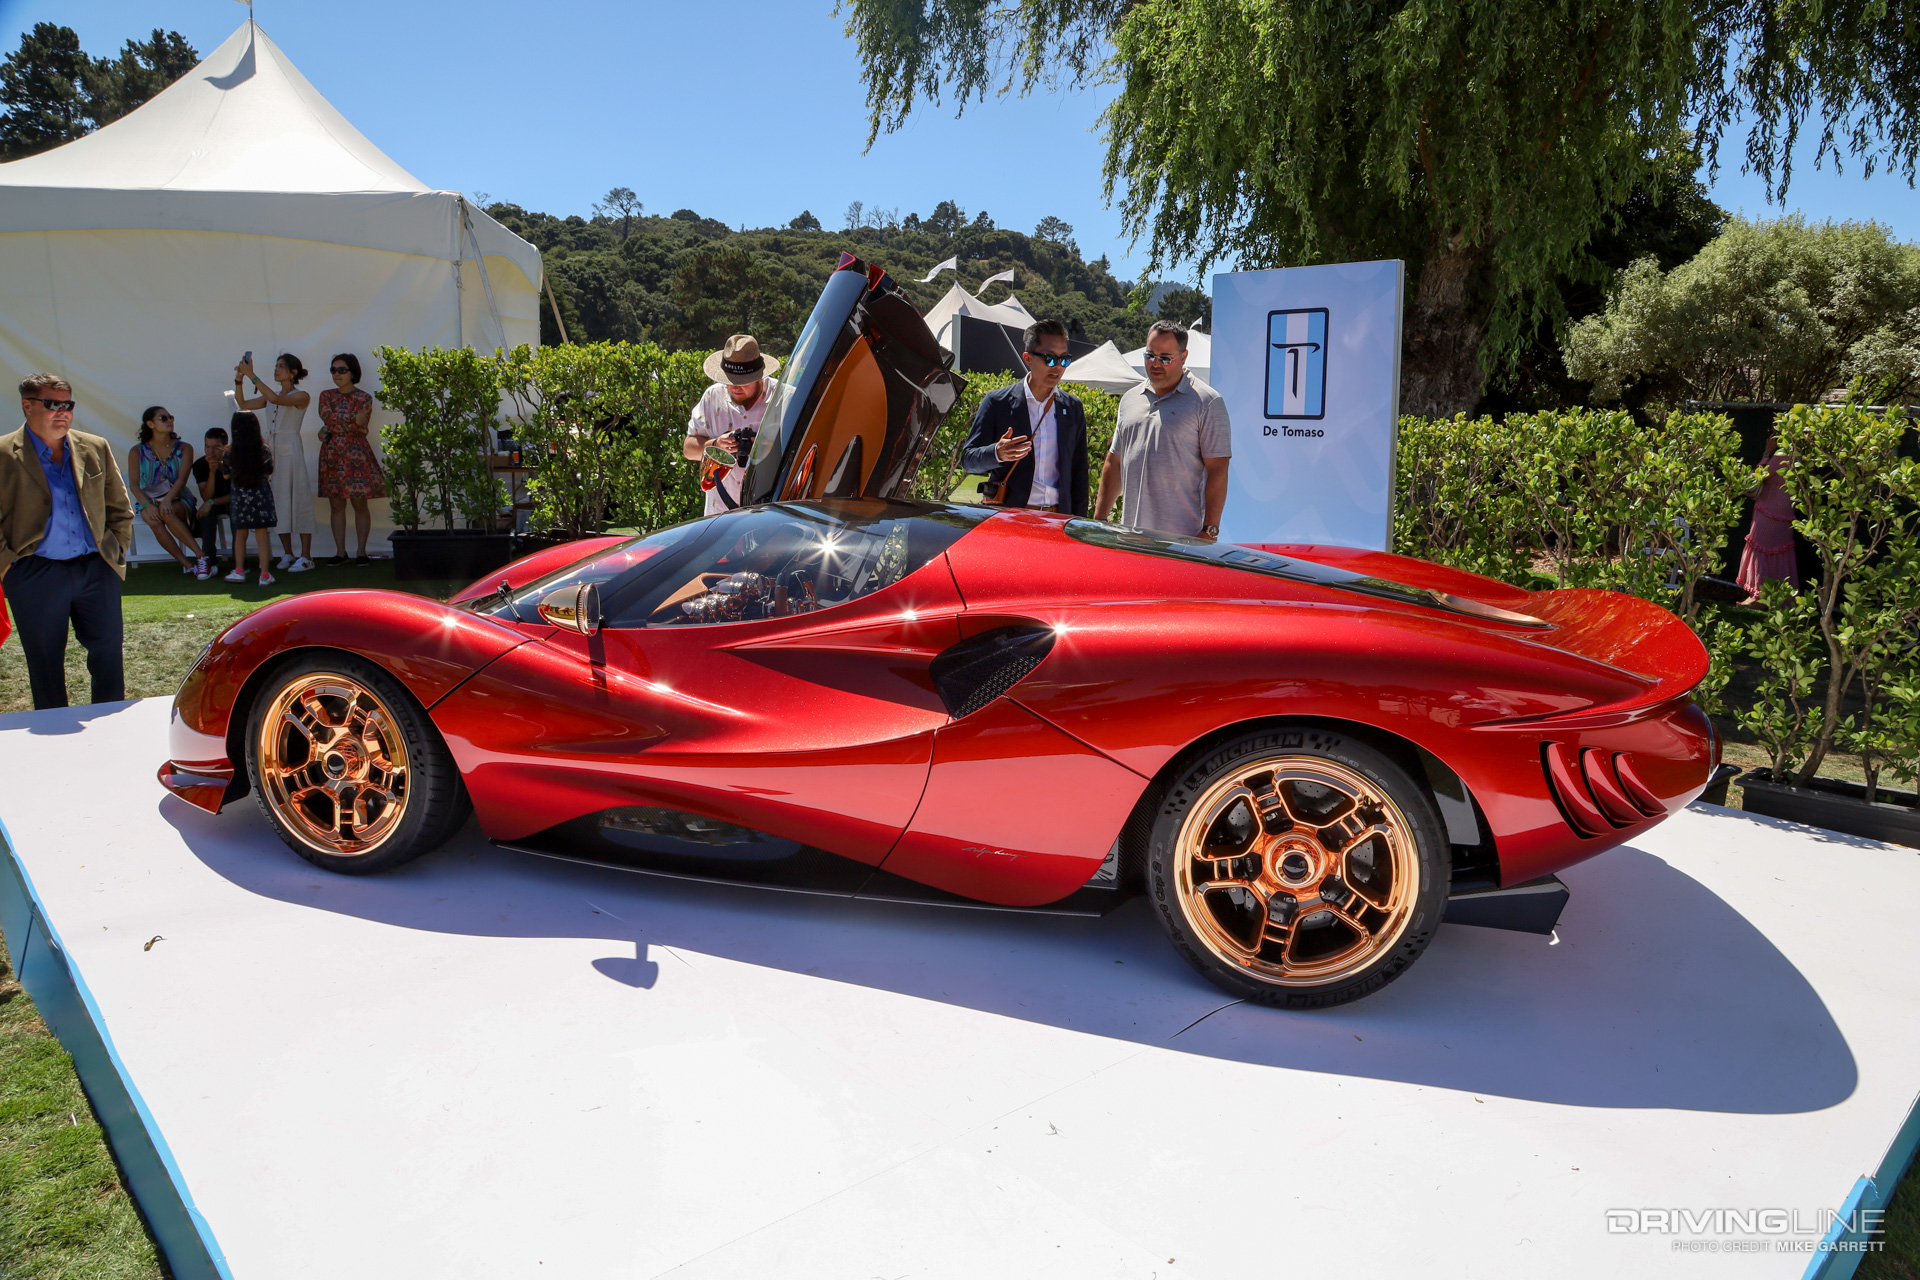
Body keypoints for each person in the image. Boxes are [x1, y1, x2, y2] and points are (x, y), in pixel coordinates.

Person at [0, 373, 134, 710]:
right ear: (27, 406)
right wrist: (7, 564)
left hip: (95, 567)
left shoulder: (95, 446)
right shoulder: (3, 454)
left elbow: (119, 506)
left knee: (107, 653)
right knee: (44, 662)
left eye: (68, 405)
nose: (62, 412)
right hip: (33, 572)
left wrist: (116, 548)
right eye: (52, 405)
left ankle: (111, 724)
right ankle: (51, 732)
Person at [1095, 320, 1231, 541]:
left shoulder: (1207, 402)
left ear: (1184, 357)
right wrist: (1100, 521)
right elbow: (1115, 462)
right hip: (1130, 537)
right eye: (1150, 355)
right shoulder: (1130, 399)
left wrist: (1210, 530)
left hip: (1183, 541)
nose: (1155, 364)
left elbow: (1218, 470)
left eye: (1165, 358)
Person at [959, 318, 1090, 515]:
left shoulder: (1072, 408)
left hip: (1058, 520)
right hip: (1010, 519)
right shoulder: (997, 402)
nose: (1058, 367)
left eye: (1064, 359)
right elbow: (968, 460)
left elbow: (1079, 474)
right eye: (1050, 358)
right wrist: (997, 453)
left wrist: (1078, 525)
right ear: (1028, 358)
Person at [684, 334, 782, 515]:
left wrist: (768, 447)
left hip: (769, 515)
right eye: (729, 380)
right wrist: (714, 445)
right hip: (720, 515)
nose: (735, 387)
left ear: (760, 376)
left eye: (743, 381)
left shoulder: (783, 398)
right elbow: (688, 450)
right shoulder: (712, 397)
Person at [235, 353, 314, 572]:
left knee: (299, 497)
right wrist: (240, 379)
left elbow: (277, 400)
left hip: (291, 448)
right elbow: (242, 403)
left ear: (293, 372)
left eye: (281, 366)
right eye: (276, 366)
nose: (277, 369)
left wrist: (252, 375)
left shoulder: (302, 395)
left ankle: (306, 556)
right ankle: (288, 553)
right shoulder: (271, 395)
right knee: (278, 501)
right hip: (274, 450)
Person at [316, 352, 384, 564]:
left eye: (341, 370)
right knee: (336, 505)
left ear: (352, 373)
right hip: (332, 454)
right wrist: (352, 418)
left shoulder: (365, 398)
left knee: (359, 504)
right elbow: (326, 416)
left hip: (356, 455)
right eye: (333, 370)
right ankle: (340, 552)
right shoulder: (326, 395)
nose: (337, 374)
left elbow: (360, 424)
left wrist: (332, 425)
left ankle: (361, 552)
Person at [128, 405, 198, 573]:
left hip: (178, 498)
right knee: (153, 518)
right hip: (149, 500)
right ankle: (187, 564)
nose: (169, 421)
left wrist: (166, 500)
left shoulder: (184, 448)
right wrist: (148, 505)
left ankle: (201, 556)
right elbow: (134, 486)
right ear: (150, 424)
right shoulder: (137, 451)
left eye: (170, 417)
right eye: (163, 418)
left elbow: (182, 480)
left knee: (166, 511)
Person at [1737, 434, 1799, 605]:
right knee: (1778, 552)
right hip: (1785, 512)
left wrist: (1767, 453)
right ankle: (1776, 597)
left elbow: (1757, 477)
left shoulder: (1782, 456)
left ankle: (1759, 597)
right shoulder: (1799, 456)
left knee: (1761, 550)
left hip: (1769, 511)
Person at [223, 411, 277, 585]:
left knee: (240, 534)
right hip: (260, 495)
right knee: (262, 535)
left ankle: (239, 571)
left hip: (240, 497)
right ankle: (264, 574)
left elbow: (225, 475)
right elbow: (269, 470)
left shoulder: (230, 452)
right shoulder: (263, 449)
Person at [190, 426, 232, 580]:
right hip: (215, 502)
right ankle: (209, 560)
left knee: (236, 511)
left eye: (216, 448)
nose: (211, 452)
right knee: (205, 514)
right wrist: (212, 473)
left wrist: (212, 502)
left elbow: (237, 495)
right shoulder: (200, 465)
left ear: (225, 448)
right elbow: (206, 496)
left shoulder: (234, 462)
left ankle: (239, 562)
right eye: (207, 447)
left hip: (236, 502)